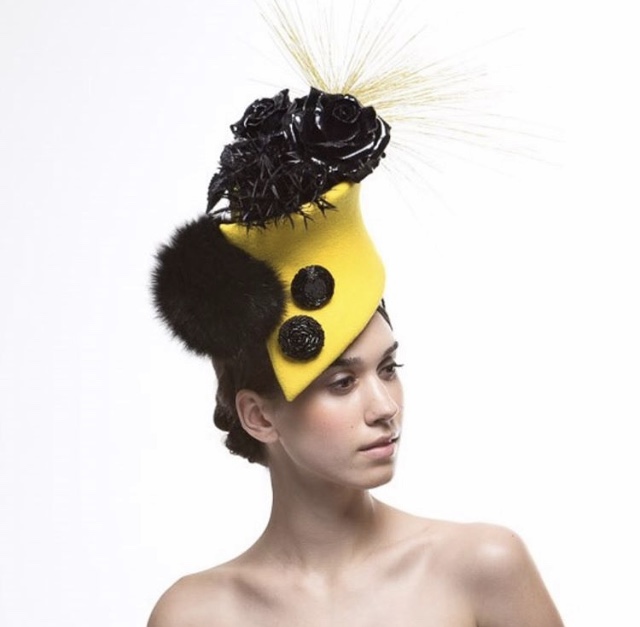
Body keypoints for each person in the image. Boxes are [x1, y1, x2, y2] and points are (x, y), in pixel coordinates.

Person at [148, 33, 564, 625]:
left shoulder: (482, 568)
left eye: (389, 369)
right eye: (342, 382)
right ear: (259, 416)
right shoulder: (196, 614)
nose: (385, 407)